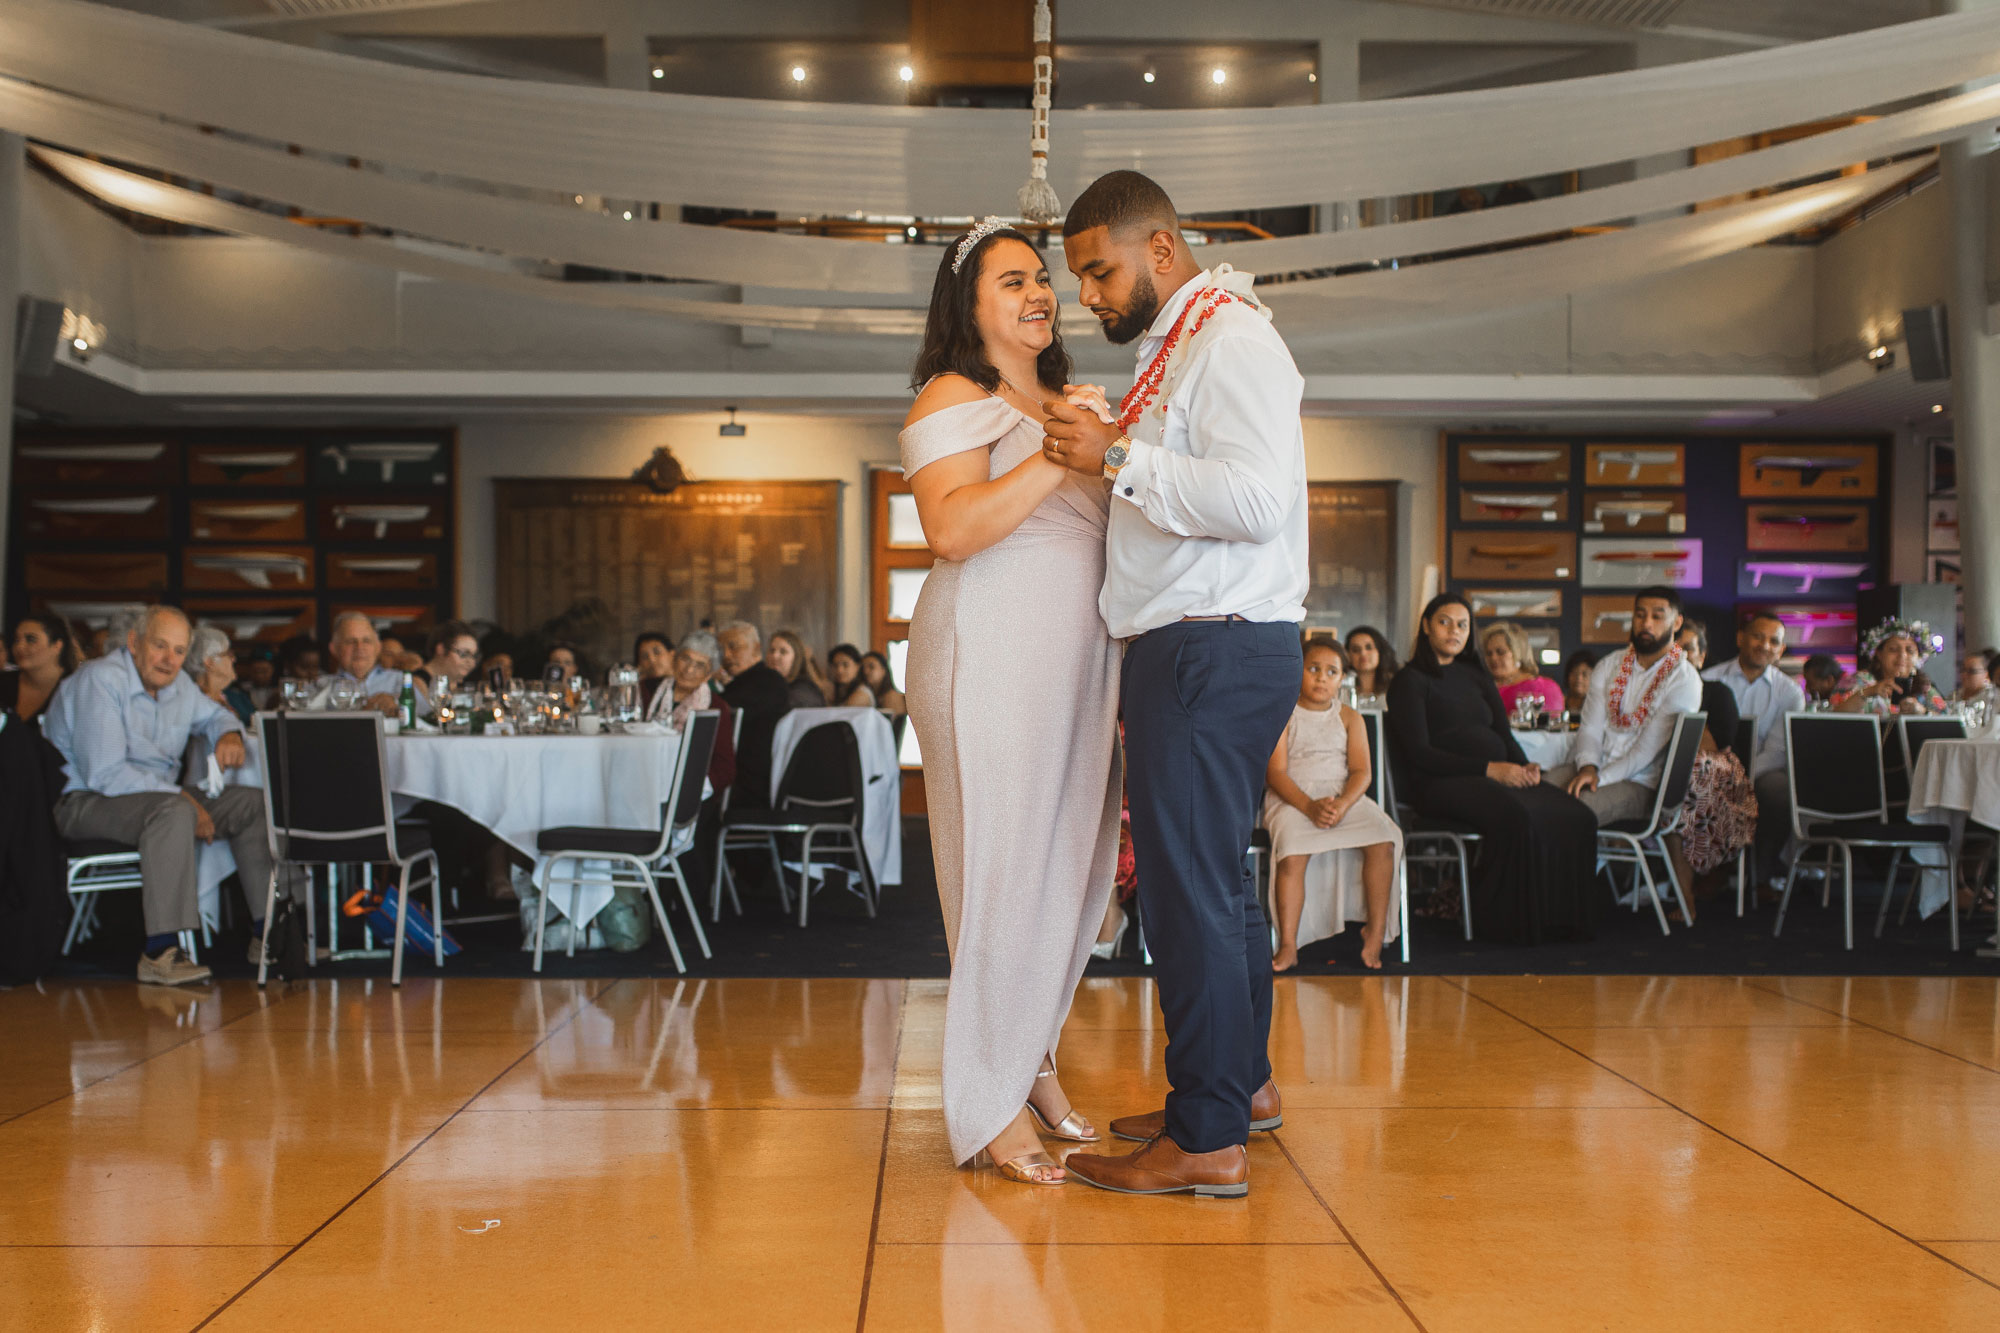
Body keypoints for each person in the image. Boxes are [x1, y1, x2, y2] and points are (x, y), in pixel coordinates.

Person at [1043, 170, 1307, 1200]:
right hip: (1208, 641)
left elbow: (1250, 498)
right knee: (1216, 886)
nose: (1091, 299)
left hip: (1208, 643)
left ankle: (1203, 1136)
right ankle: (1237, 1090)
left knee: (1185, 894)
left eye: (1099, 272)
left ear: (1160, 250)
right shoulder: (1182, 344)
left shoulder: (1230, 339)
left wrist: (1116, 455)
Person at [900, 213, 1123, 1188]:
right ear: (968, 302)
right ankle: (989, 1102)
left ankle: (1030, 1062)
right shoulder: (953, 393)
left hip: (1078, 668)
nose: (1039, 292)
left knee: (1067, 878)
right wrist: (1058, 454)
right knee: (1000, 872)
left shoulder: (1068, 398)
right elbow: (949, 530)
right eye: (1012, 280)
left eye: (1042, 278)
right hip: (985, 655)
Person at [44, 606, 299, 985]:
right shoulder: (100, 680)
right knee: (174, 811)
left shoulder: (176, 684)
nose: (169, 660)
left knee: (251, 804)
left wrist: (227, 733)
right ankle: (160, 952)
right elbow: (106, 774)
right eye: (160, 646)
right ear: (134, 642)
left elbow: (215, 715)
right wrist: (186, 800)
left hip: (153, 799)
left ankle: (267, 935)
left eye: (179, 651)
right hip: (84, 802)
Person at [1388, 593, 1598, 945]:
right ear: (1426, 626)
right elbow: (1419, 753)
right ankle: (1508, 926)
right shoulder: (1410, 681)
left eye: (1462, 624)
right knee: (1518, 816)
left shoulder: (1475, 676)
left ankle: (1562, 922)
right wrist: (1490, 770)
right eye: (1444, 622)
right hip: (1439, 783)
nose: (1454, 631)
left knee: (1576, 814)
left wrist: (1525, 766)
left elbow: (1501, 732)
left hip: (1492, 774)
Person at [1263, 640, 1402, 973]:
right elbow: (1275, 772)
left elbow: (1362, 772)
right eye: (1313, 669)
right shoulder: (1282, 713)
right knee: (1293, 849)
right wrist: (1309, 807)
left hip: (1343, 796)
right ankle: (1288, 943)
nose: (1321, 678)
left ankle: (1375, 932)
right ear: (1299, 671)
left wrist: (1341, 804)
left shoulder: (1349, 717)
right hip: (1293, 797)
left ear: (1342, 679)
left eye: (1331, 672)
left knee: (1385, 838)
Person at [1550, 587, 1703, 826]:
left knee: (1570, 813)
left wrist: (1599, 779)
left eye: (1657, 616)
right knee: (1534, 795)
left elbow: (1644, 753)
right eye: (1640, 615)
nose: (1646, 624)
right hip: (1590, 765)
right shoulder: (1609, 665)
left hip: (1640, 782)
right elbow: (1590, 729)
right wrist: (1589, 767)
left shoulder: (1684, 679)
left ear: (1677, 623)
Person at [1702, 612, 1804, 891]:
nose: (1765, 645)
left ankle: (1761, 874)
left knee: (1779, 789)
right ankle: (1711, 869)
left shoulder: (1790, 692)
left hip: (1762, 770)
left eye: (1774, 641)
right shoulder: (1707, 679)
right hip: (1712, 767)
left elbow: (1778, 751)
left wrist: (1741, 778)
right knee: (1706, 782)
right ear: (1740, 638)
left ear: (1781, 650)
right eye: (1758, 636)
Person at [1666, 620, 1757, 916]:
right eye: (1673, 648)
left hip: (1716, 779)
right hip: (1665, 775)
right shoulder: (1650, 695)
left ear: (1701, 657)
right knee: (1673, 784)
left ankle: (1687, 893)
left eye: (1688, 649)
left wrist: (1686, 698)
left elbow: (1711, 749)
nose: (1680, 655)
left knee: (1687, 780)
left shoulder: (1717, 693)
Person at [715, 621, 793, 808]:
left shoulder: (768, 682)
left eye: (733, 647)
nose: (726, 655)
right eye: (721, 649)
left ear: (756, 649)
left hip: (752, 787)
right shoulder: (739, 684)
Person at [1834, 619, 1947, 716]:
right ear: (1879, 654)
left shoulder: (1925, 689)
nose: (1902, 655)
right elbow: (1835, 716)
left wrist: (1923, 712)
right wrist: (1870, 691)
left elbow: (1947, 723)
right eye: (1893, 649)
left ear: (1919, 657)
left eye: (1910, 651)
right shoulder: (1859, 680)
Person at [314, 612, 411, 715]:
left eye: (366, 641)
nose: (359, 648)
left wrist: (395, 704)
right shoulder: (321, 686)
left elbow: (425, 719)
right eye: (351, 641)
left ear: (378, 647)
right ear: (334, 648)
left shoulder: (403, 680)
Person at [3, 613, 79, 722]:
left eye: (31, 639)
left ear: (57, 645)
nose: (19, 647)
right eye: (16, 640)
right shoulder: (4, 682)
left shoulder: (75, 688)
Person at [1481, 621, 1564, 719]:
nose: (1493, 658)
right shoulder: (1483, 687)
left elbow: (1549, 726)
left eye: (1500, 652)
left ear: (1518, 653)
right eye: (1489, 653)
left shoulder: (1543, 688)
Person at [185, 625, 255, 724]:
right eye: (228, 654)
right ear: (209, 662)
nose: (234, 659)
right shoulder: (192, 702)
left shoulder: (233, 697)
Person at [765, 628, 831, 709]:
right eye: (772, 650)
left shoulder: (803, 690)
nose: (774, 656)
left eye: (783, 651)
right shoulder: (769, 685)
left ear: (796, 658)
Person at [417, 621, 480, 694]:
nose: (470, 661)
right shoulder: (416, 685)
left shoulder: (459, 687)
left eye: (474, 656)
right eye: (463, 653)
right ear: (441, 649)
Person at [1345, 625, 1399, 701]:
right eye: (1356, 649)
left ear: (1380, 652)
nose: (1363, 653)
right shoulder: (1341, 689)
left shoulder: (1397, 686)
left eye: (1368, 648)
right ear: (1348, 655)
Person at [634, 631, 674, 719]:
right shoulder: (639, 690)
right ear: (639, 664)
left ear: (672, 654)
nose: (652, 660)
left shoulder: (684, 685)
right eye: (644, 657)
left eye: (657, 652)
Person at [825, 643, 878, 707]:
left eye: (845, 665)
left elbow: (839, 715)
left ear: (857, 666)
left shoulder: (862, 693)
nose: (839, 670)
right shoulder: (839, 691)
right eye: (835, 665)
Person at [1562, 650, 1598, 715]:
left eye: (1585, 674)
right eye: (1575, 673)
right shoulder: (1560, 702)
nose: (1579, 678)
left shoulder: (1598, 706)